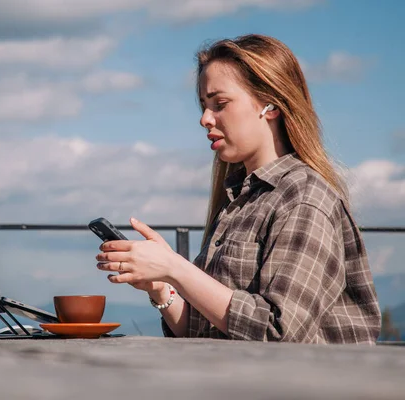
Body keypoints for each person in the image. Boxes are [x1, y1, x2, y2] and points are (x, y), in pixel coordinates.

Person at [95, 34, 381, 343]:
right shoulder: (238, 200)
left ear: (270, 105)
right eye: (204, 106)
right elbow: (203, 330)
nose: (205, 119)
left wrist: (177, 268)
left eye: (220, 104)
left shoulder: (305, 198)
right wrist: (162, 286)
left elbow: (279, 332)